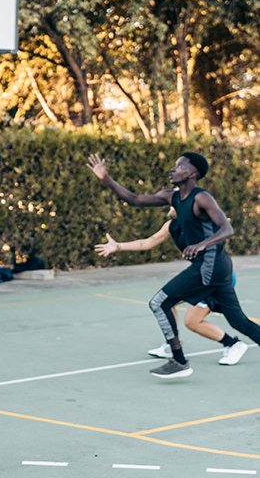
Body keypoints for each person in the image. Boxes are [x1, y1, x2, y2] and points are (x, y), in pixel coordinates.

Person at [87, 151, 259, 378]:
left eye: (179, 166)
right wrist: (106, 178)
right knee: (239, 321)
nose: (173, 169)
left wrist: (202, 245)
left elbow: (227, 229)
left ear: (192, 173)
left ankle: (179, 361)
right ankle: (182, 353)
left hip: (209, 266)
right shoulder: (173, 197)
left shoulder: (202, 198)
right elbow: (135, 199)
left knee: (159, 302)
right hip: (217, 269)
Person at [94, 213, 247, 365]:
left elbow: (221, 229)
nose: (172, 202)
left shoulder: (201, 222)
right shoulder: (171, 225)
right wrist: (118, 246)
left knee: (192, 322)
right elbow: (147, 243)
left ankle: (233, 344)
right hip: (200, 276)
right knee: (167, 301)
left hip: (214, 277)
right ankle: (171, 344)